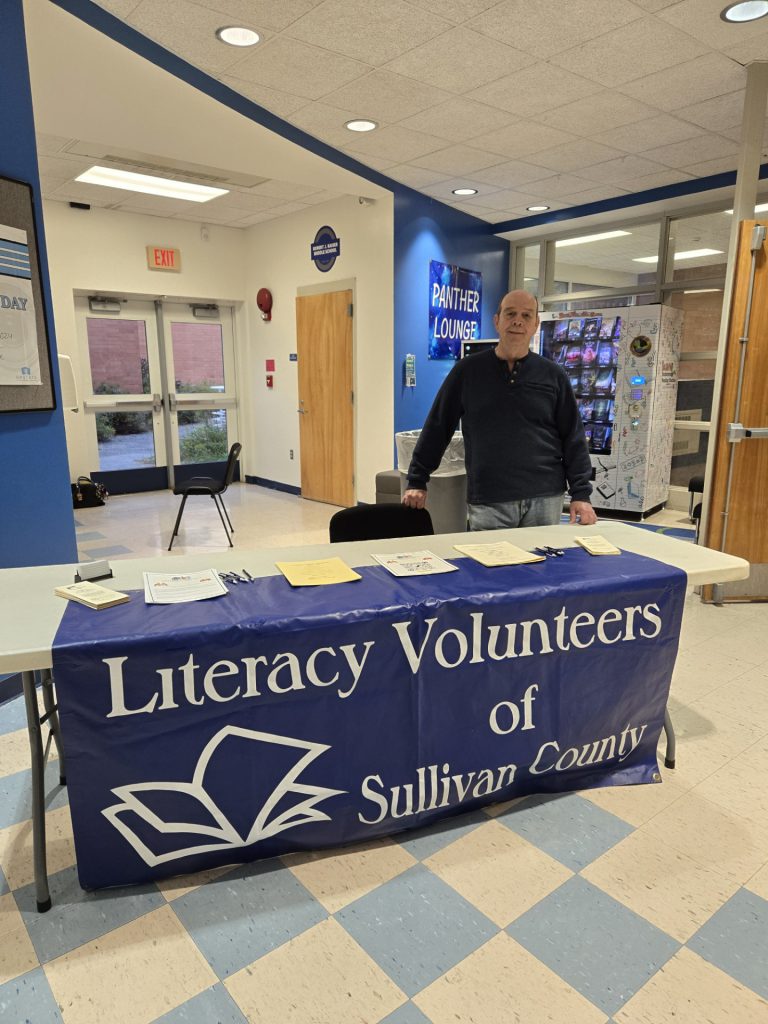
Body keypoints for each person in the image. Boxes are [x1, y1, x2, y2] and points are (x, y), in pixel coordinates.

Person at [402, 289, 597, 529]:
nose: (518, 321)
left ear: (536, 324)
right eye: (510, 313)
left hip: (545, 497)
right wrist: (417, 479)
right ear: (497, 321)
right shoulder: (467, 371)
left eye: (526, 315)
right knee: (486, 566)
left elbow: (573, 437)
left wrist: (581, 493)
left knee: (541, 567)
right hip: (489, 499)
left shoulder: (553, 375)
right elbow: (438, 426)